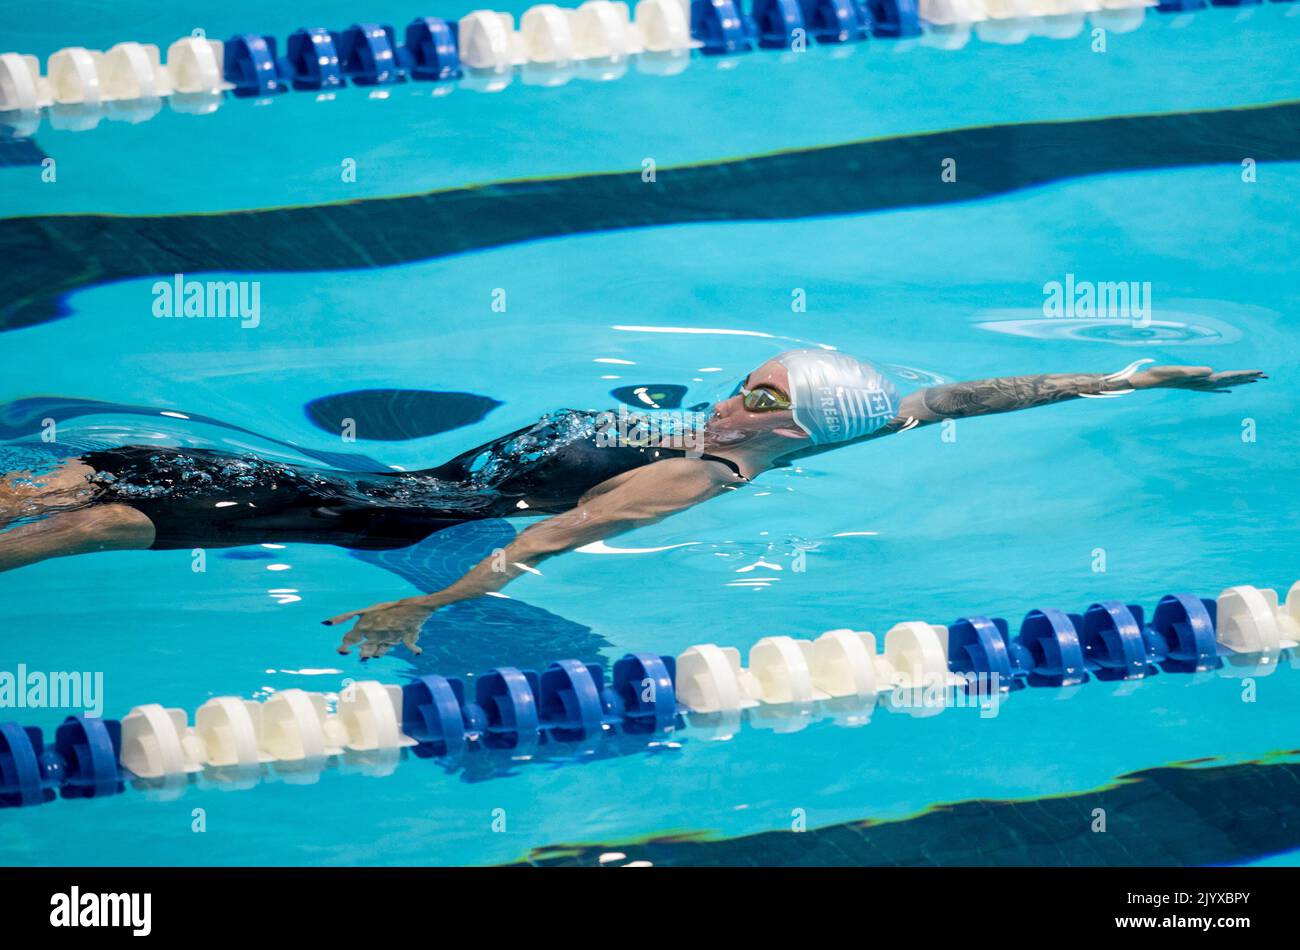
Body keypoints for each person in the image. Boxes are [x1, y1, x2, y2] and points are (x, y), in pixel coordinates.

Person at [0, 351, 1264, 659]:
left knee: (111, 513)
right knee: (90, 489)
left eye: (752, 389)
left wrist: (427, 606)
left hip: (378, 513)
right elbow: (953, 398)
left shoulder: (690, 471)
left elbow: (549, 535)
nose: (727, 391)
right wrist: (1123, 375)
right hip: (382, 485)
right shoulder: (842, 419)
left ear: (773, 427)